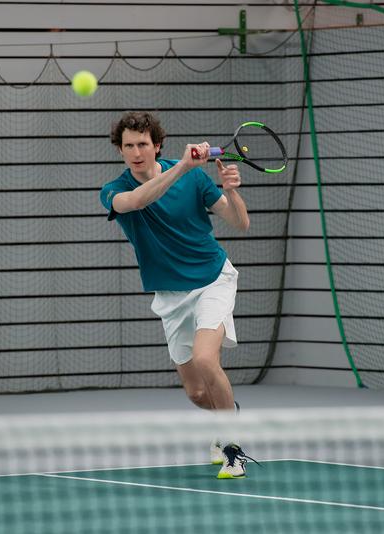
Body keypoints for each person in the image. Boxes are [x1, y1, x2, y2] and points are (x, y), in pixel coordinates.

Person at [101, 111, 253, 479]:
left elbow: (240, 223)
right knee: (197, 394)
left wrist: (231, 191)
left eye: (142, 144)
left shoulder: (195, 179)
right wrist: (182, 168)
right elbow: (137, 202)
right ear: (120, 151)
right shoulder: (114, 191)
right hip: (171, 295)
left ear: (157, 145)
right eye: (128, 146)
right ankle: (227, 415)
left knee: (205, 358)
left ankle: (234, 450)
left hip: (213, 279)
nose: (136, 152)